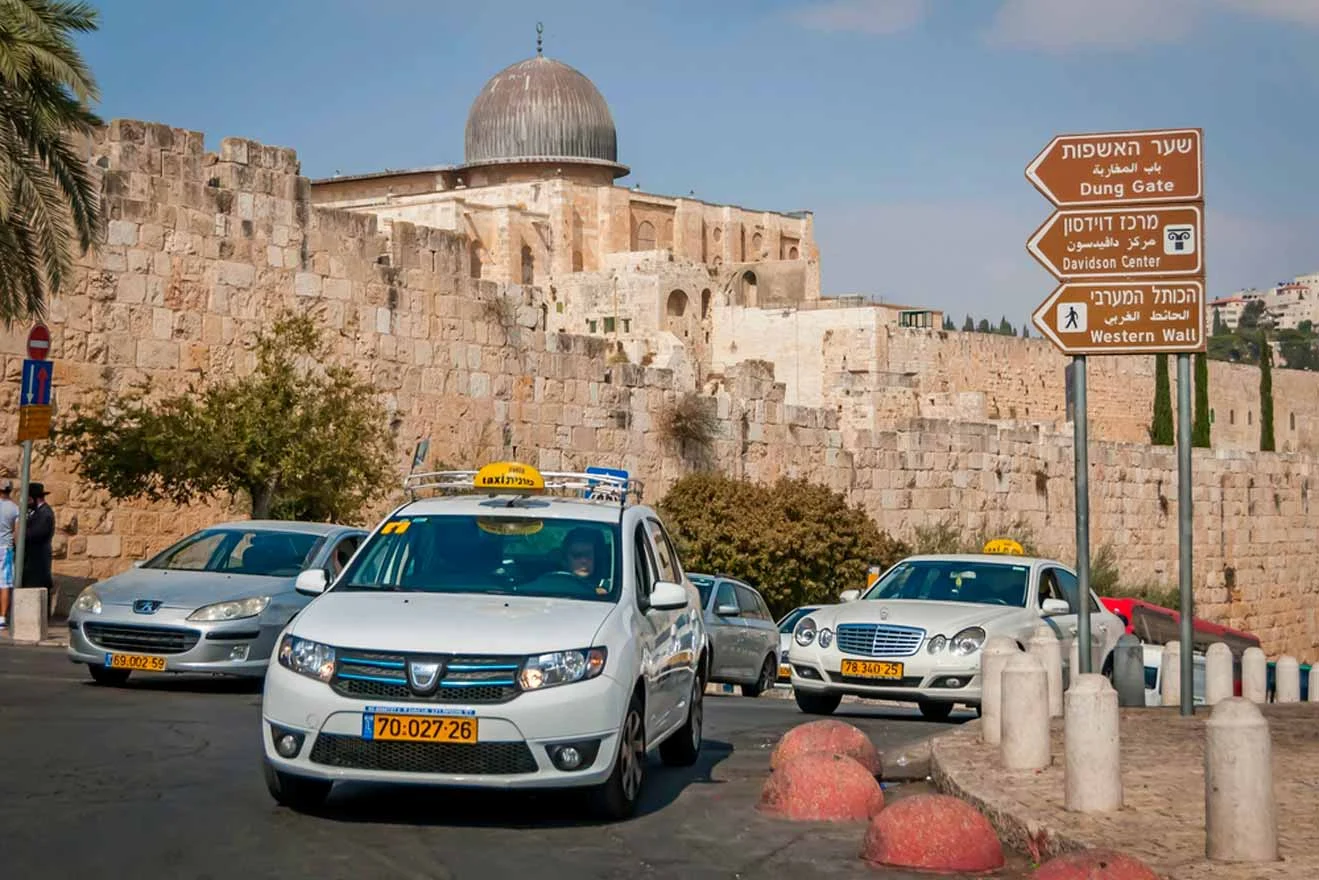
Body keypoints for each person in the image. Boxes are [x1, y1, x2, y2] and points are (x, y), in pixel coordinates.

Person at [23, 483, 55, 613]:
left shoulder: (45, 513)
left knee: (38, 587)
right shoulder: (36, 512)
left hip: (38, 559)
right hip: (32, 559)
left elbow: (36, 533)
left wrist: (19, 534)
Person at [0, 479, 19, 630]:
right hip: (6, 547)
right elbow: (16, 531)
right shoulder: (15, 508)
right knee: (5, 584)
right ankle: (2, 617)